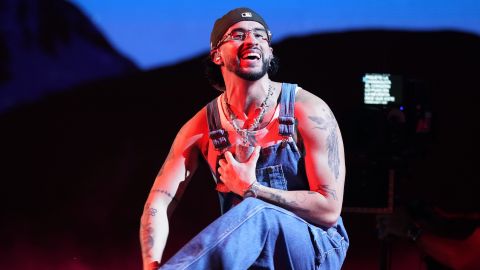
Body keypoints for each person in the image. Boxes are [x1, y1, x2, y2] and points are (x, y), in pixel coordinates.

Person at [140, 7, 349, 270]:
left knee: (258, 213)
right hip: (251, 257)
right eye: (238, 35)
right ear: (216, 55)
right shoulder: (202, 126)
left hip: (318, 248)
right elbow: (158, 202)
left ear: (270, 50)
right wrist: (151, 263)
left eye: (260, 36)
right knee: (252, 220)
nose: (251, 41)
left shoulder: (307, 109)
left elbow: (329, 210)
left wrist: (253, 189)